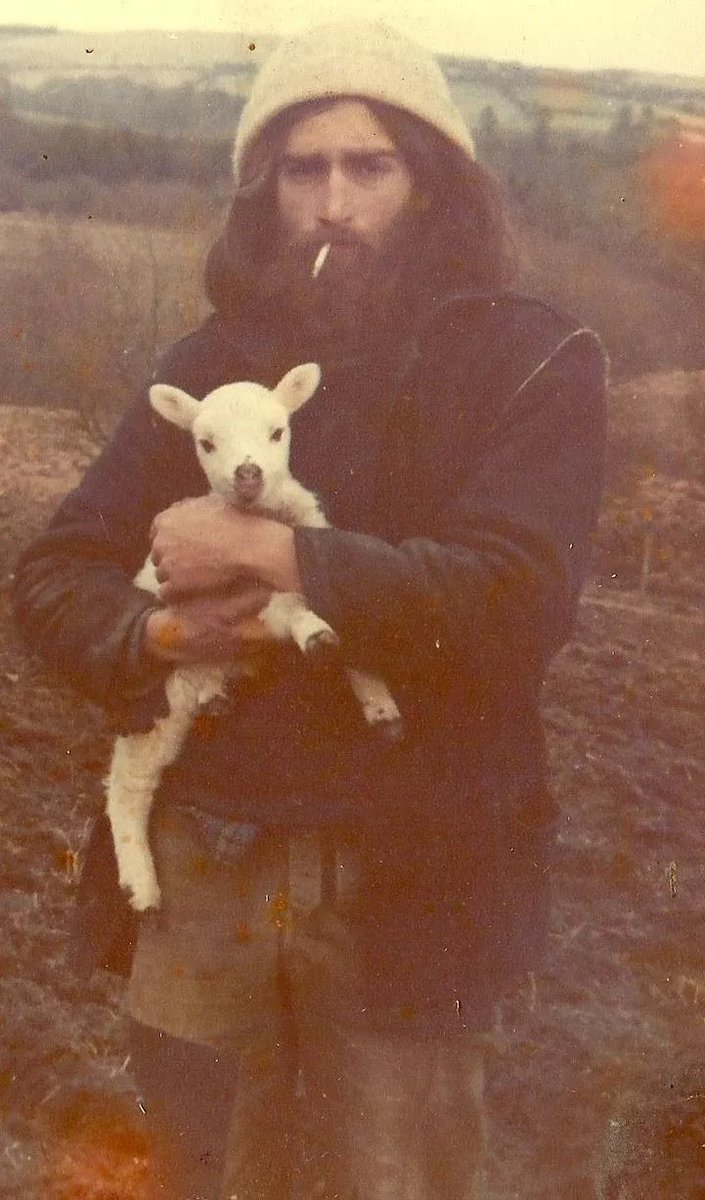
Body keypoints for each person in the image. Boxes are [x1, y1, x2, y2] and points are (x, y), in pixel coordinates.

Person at [13, 19, 607, 1200]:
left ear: (430, 183)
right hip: (206, 875)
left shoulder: (530, 360)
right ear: (264, 193)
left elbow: (514, 599)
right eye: (302, 169)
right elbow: (54, 576)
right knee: (197, 1176)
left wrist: (277, 552)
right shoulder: (208, 369)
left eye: (370, 165)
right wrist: (164, 635)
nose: (335, 202)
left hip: (415, 887)